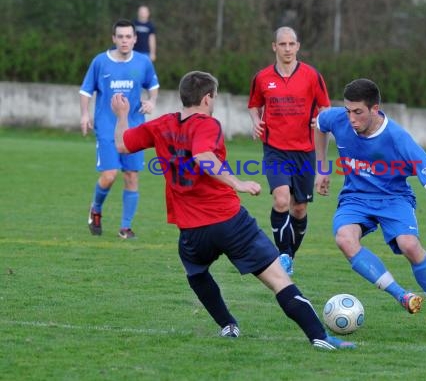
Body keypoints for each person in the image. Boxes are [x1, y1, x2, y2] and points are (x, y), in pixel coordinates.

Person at [109, 70, 355, 350]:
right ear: (207, 98)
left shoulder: (162, 125)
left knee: (197, 274)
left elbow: (121, 143)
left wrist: (121, 115)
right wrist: (236, 182)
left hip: (191, 230)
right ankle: (319, 336)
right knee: (278, 280)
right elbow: (203, 156)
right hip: (229, 222)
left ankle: (227, 324)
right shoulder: (207, 124)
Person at [314, 78, 426, 342]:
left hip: (394, 198)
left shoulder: (397, 138)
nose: (351, 118)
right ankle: (401, 295)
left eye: (358, 112)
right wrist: (321, 168)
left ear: (375, 109)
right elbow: (320, 124)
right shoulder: (339, 120)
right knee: (344, 239)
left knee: (409, 245)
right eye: (348, 111)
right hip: (356, 197)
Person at [248, 26, 331, 275]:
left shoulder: (311, 76)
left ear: (297, 46)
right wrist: (255, 121)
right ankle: (282, 254)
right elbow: (254, 105)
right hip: (275, 150)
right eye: (282, 44)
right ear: (274, 46)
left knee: (299, 209)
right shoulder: (262, 77)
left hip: (305, 151)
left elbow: (325, 107)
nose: (287, 49)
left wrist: (321, 120)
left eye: (291, 44)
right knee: (282, 199)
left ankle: (289, 256)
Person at [80, 19, 159, 239]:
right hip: (107, 127)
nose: (124, 41)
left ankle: (125, 227)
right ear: (114, 39)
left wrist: (151, 102)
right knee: (110, 175)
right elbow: (86, 91)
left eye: (128, 37)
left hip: (134, 128)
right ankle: (96, 207)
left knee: (132, 176)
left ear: (135, 39)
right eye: (120, 37)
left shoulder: (143, 62)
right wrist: (85, 114)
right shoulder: (100, 62)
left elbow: (153, 87)